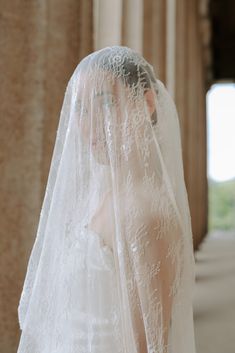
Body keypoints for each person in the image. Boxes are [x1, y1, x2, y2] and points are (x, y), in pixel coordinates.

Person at [17, 46, 197, 353]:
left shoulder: (146, 212)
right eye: (82, 110)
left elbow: (150, 346)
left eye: (105, 104)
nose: (90, 125)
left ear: (147, 103)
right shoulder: (105, 196)